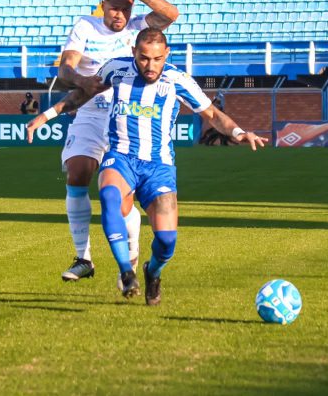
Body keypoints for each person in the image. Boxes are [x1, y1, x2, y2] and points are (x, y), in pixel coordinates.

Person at [28, 28, 267, 304]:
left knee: (166, 242)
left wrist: (239, 133)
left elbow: (212, 114)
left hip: (159, 166)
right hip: (122, 158)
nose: (150, 65)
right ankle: (126, 272)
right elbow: (84, 93)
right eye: (143, 58)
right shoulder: (116, 70)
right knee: (108, 195)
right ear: (134, 53)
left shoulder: (178, 80)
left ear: (166, 54)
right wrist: (46, 115)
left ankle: (152, 272)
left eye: (156, 59)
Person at [54, 0, 179, 283]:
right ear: (103, 6)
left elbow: (171, 14)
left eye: (126, 9)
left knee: (122, 201)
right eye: (114, 8)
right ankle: (83, 258)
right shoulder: (86, 25)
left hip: (129, 116)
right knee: (78, 170)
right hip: (91, 112)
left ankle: (132, 258)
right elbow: (66, 67)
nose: (120, 14)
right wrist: (83, 81)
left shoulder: (139, 29)